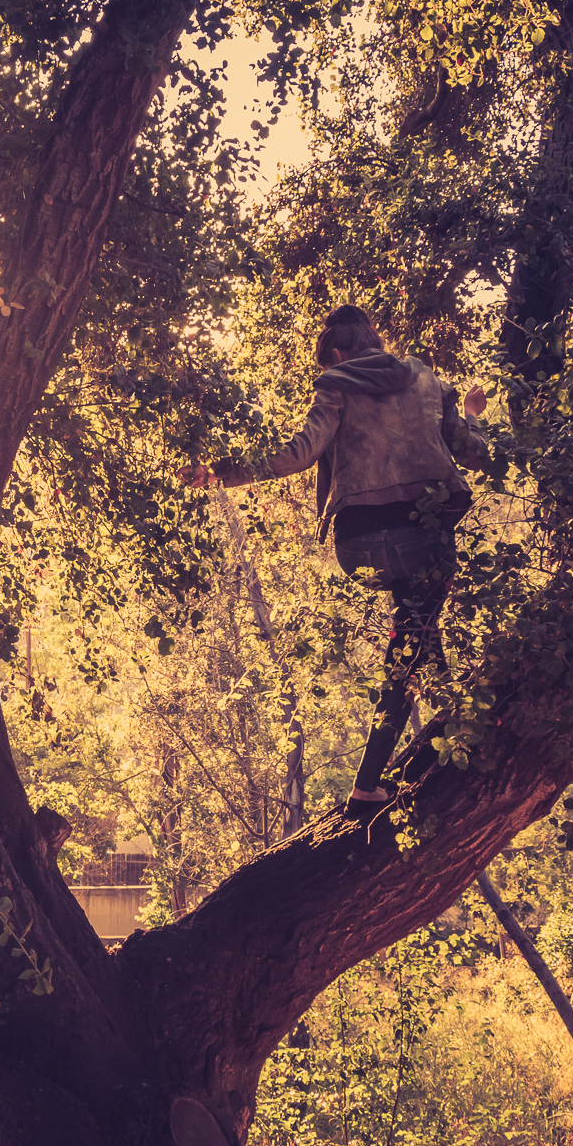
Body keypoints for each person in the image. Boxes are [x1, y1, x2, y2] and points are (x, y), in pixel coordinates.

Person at [184, 306, 488, 815]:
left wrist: (221, 472)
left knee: (416, 634)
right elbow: (472, 451)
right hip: (425, 534)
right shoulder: (426, 377)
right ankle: (382, 777)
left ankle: (457, 732)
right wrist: (474, 416)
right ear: (375, 339)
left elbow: (299, 452)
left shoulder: (335, 382)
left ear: (338, 353)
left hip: (361, 543)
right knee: (410, 643)